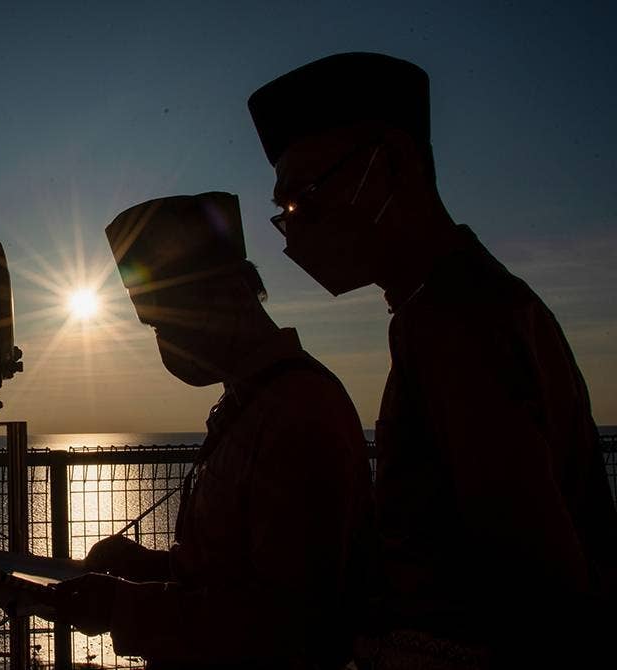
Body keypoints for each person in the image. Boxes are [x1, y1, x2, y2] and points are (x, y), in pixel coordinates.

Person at [249, 52, 617, 667]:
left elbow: (536, 592)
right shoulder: (444, 308)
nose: (293, 234)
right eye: (283, 215)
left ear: (389, 165)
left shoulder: (458, 322)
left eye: (304, 202)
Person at [53, 192, 375, 669]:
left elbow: (290, 623)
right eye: (152, 326)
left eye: (167, 320)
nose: (165, 341)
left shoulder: (298, 413)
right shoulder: (247, 405)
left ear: (227, 293)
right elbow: (233, 571)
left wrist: (124, 607)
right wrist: (150, 566)